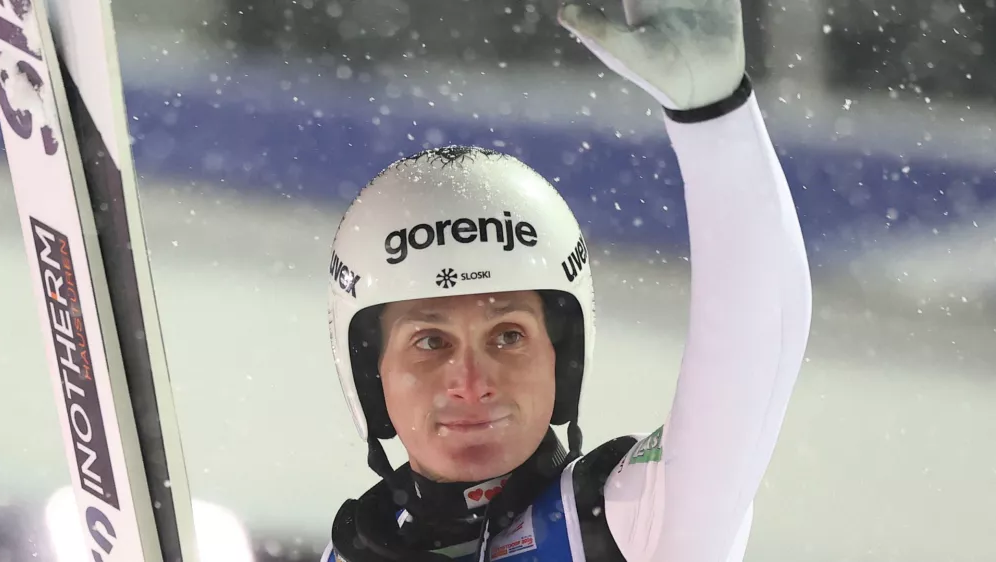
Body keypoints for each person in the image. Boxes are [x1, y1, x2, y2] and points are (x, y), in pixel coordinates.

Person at [322, 0, 812, 560]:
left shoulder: (637, 522)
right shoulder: (349, 550)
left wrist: (716, 120)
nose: (471, 382)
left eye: (508, 335)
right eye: (431, 342)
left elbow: (755, 352)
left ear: (562, 360)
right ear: (371, 374)